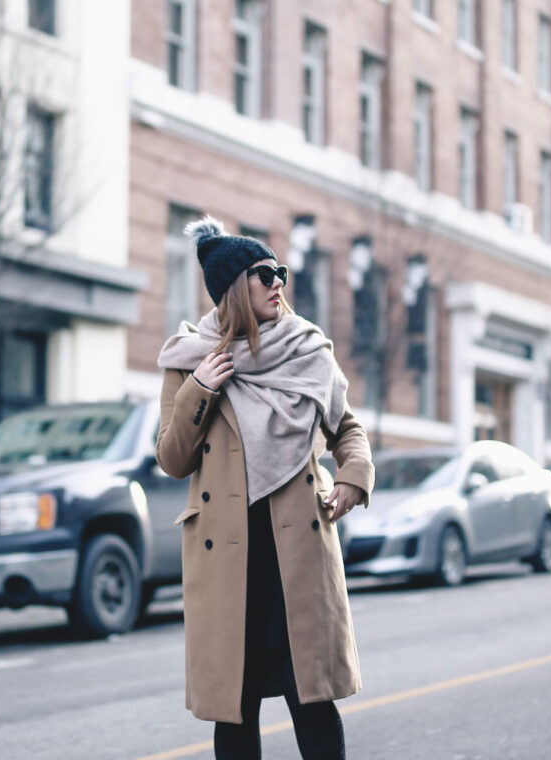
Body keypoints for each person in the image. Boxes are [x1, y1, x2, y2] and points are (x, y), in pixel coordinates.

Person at [156, 217, 375, 760]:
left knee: (313, 701)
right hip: (229, 559)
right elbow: (172, 458)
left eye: (279, 271)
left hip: (294, 551)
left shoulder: (306, 349)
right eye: (264, 273)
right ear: (234, 287)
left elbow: (345, 426)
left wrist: (352, 477)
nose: (279, 281)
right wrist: (202, 389)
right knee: (236, 706)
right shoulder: (190, 360)